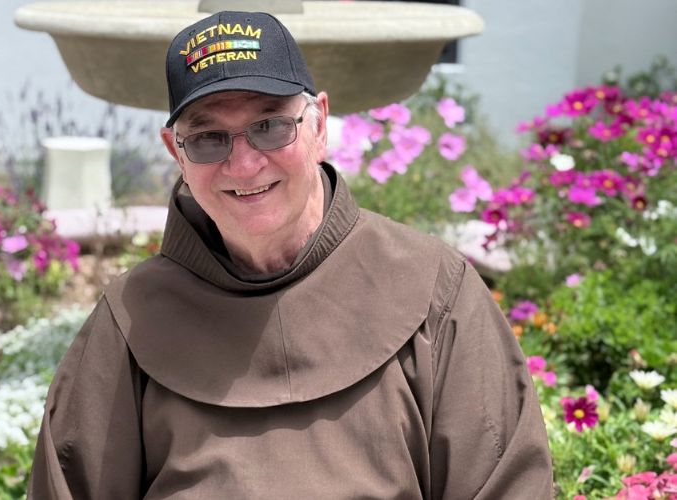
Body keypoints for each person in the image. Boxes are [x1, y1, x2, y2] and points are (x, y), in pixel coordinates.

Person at [28, 10, 553, 500]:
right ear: (176, 152)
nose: (244, 163)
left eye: (270, 125)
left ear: (319, 125)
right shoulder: (131, 318)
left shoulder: (436, 290)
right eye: (209, 138)